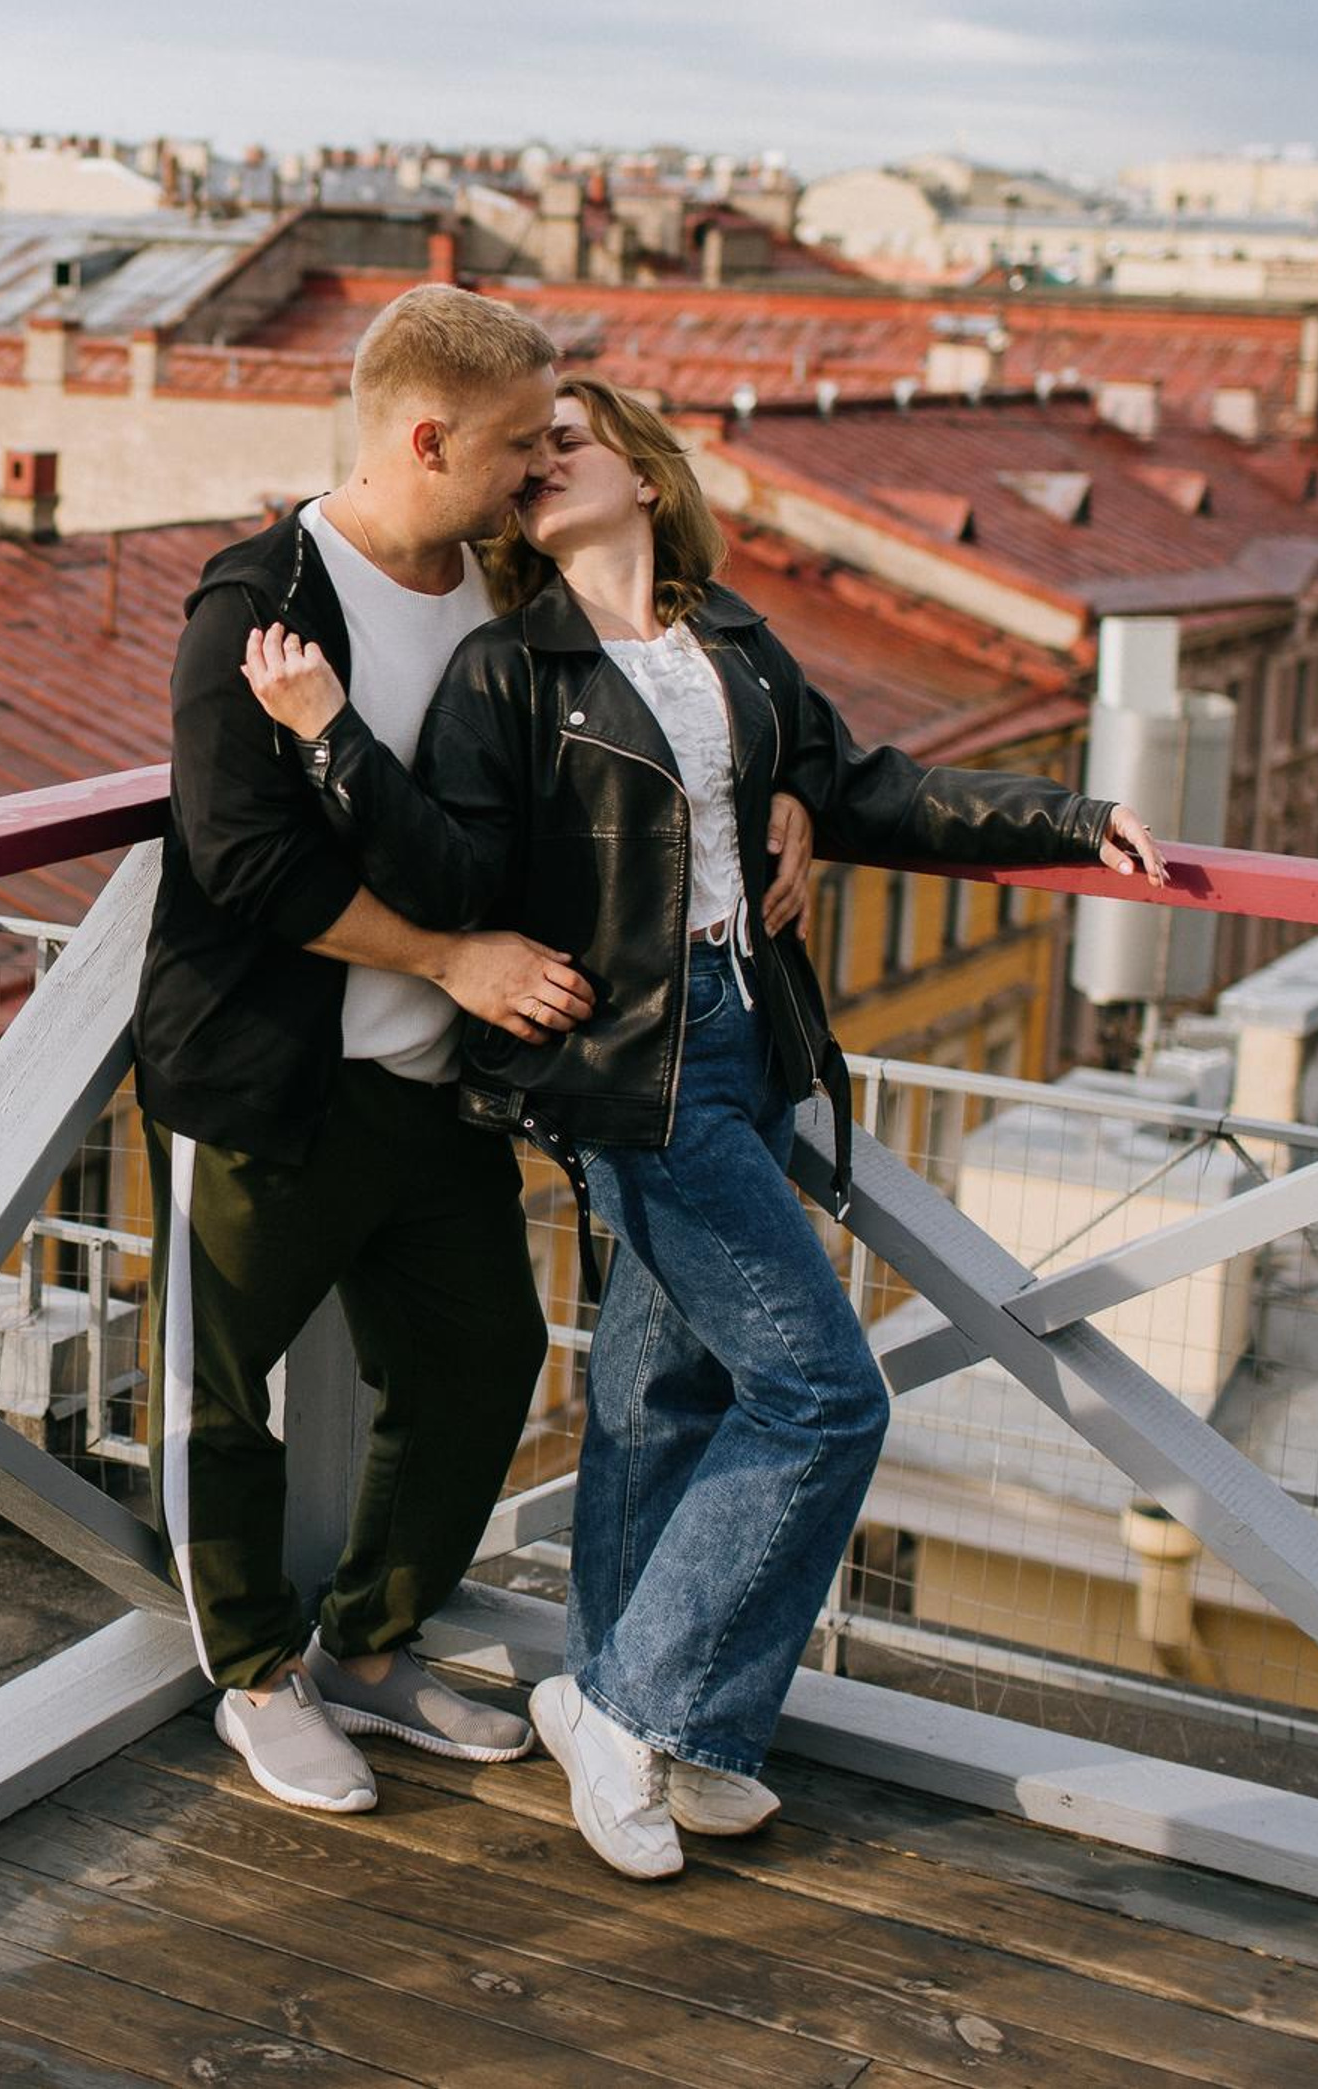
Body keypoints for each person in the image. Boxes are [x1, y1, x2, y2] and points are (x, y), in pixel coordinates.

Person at [242, 375, 1161, 1875]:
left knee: (657, 1402)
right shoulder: (508, 671)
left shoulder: (729, 640)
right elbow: (450, 870)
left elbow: (867, 786)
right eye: (527, 450)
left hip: (751, 1041)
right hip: (631, 1074)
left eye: (567, 443)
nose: (539, 464)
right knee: (823, 1395)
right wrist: (333, 734)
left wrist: (1065, 821)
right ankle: (646, 1715)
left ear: (646, 480)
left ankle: (629, 1710)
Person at [133, 288, 816, 1816]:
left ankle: (369, 1654)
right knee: (218, 1395)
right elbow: (246, 864)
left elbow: (657, 725)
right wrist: (450, 954)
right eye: (515, 446)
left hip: (440, 1083)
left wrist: (787, 800)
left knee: (482, 1361)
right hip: (271, 1082)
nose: (533, 474)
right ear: (426, 436)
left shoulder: (509, 598)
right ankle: (253, 1681)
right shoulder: (261, 601)